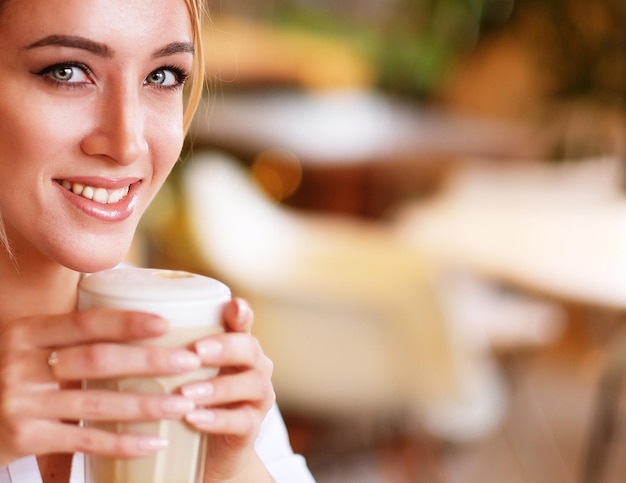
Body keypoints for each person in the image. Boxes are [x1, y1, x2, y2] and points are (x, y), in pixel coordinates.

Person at [0, 0, 315, 481]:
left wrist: (229, 472)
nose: (127, 142)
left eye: (162, 76)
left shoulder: (186, 343)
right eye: (66, 71)